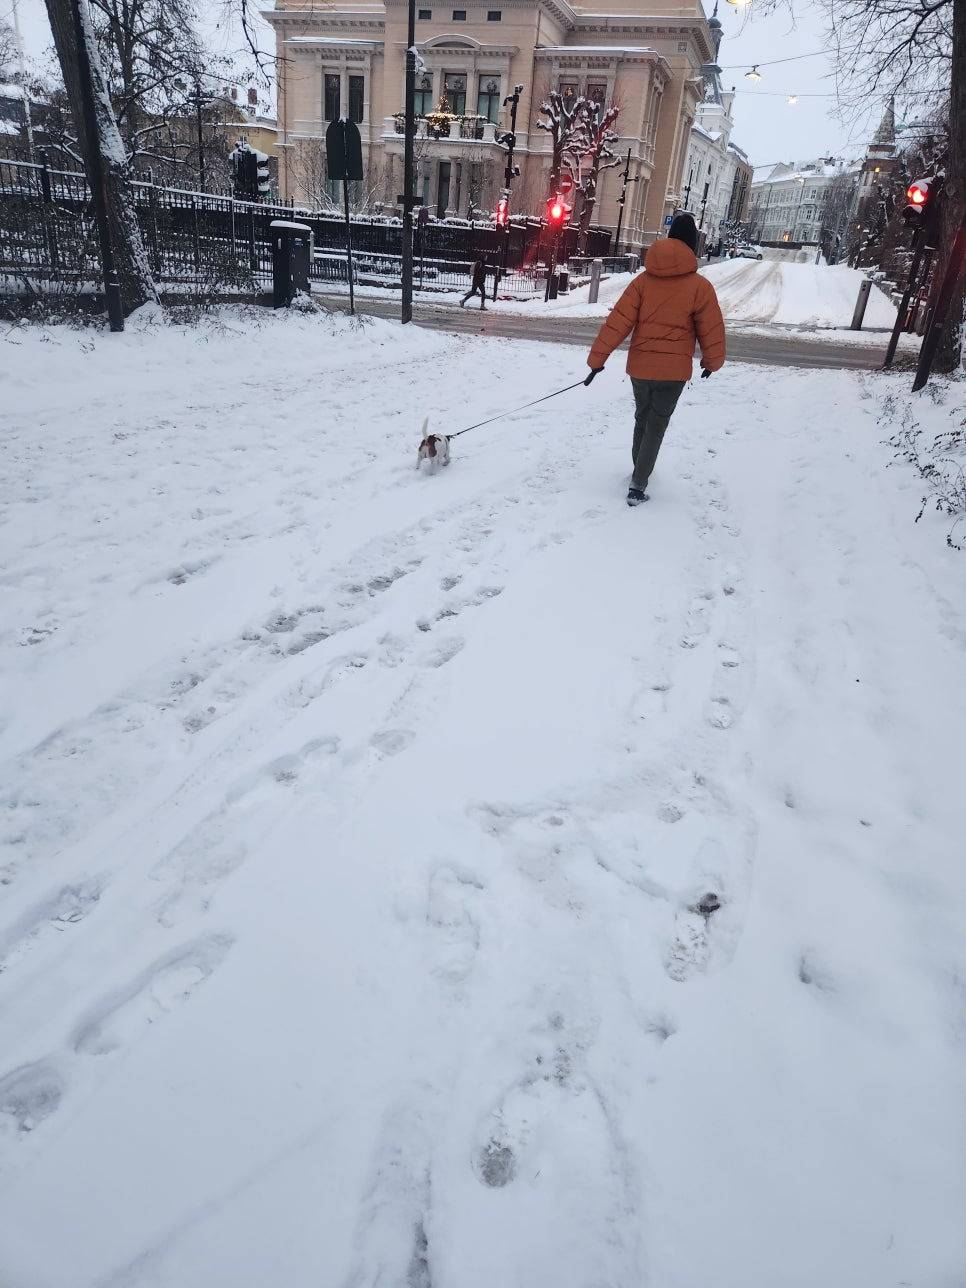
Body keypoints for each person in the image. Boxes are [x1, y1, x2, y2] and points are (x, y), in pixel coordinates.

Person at [584, 212, 725, 507]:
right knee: (657, 425)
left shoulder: (642, 282)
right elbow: (710, 330)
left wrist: (597, 360)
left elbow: (618, 322)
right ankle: (638, 483)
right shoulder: (700, 287)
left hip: (640, 368)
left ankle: (639, 468)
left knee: (642, 418)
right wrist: (711, 362)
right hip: (673, 373)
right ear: (692, 244)